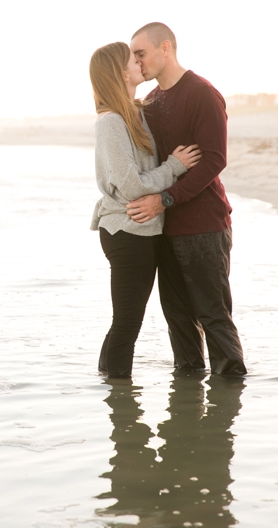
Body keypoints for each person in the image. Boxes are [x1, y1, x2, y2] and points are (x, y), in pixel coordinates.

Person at [125, 22, 247, 376]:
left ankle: (228, 406)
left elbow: (214, 159)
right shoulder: (150, 101)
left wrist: (164, 199)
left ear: (165, 48)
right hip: (165, 228)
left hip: (204, 226)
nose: (137, 62)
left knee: (213, 316)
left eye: (141, 54)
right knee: (178, 319)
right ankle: (187, 411)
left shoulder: (202, 93)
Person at [89, 41, 201, 379]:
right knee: (127, 324)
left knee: (126, 324)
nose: (139, 62)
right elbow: (132, 186)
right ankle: (121, 410)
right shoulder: (110, 122)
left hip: (143, 229)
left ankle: (108, 387)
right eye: (132, 58)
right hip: (126, 230)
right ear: (121, 72)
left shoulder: (135, 112)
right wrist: (174, 166)